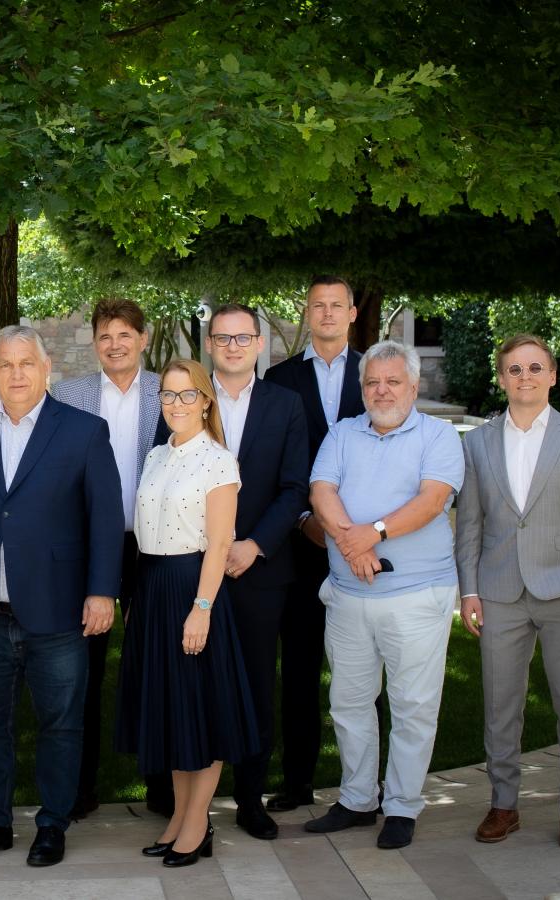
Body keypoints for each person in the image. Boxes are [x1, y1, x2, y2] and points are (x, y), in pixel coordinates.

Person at [0, 325, 123, 868]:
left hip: (59, 609)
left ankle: (52, 824)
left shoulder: (84, 431)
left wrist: (102, 592)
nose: (16, 374)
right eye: (6, 365)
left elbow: (105, 521)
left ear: (46, 367)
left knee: (61, 723)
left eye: (26, 363)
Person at [456, 334, 560, 851]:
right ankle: (503, 805)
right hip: (499, 591)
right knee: (500, 706)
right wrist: (469, 590)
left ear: (552, 376)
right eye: (514, 369)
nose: (524, 377)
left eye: (533, 368)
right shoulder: (476, 444)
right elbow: (470, 525)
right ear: (501, 379)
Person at [152, 304, 309, 838]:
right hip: (192, 572)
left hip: (258, 571)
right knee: (189, 684)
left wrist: (254, 545)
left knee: (254, 685)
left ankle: (249, 800)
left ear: (259, 344)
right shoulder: (188, 398)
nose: (233, 346)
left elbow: (294, 487)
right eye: (222, 338)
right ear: (210, 345)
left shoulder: (285, 404)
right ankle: (183, 807)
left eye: (243, 338)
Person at [303, 340, 464, 851]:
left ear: (413, 387)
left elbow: (431, 501)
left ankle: (402, 806)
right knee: (349, 702)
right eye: (372, 382)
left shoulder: (438, 436)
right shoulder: (342, 433)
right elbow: (321, 492)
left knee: (412, 705)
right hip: (348, 594)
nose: (382, 391)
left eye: (393, 382)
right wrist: (353, 544)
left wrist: (369, 534)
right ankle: (357, 800)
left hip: (416, 596)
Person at [116, 359, 259, 868]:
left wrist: (201, 609)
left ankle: (198, 823)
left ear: (205, 401)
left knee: (202, 709)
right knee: (172, 711)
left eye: (186, 394)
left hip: (193, 588)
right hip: (153, 588)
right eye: (168, 395)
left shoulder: (218, 461)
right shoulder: (156, 455)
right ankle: (179, 818)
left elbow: (219, 544)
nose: (176, 404)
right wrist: (137, 600)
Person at [50, 297, 162, 820]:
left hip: (154, 545)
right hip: (86, 547)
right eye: (105, 336)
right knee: (82, 671)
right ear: (95, 343)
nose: (115, 345)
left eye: (124, 335)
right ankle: (79, 789)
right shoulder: (68, 395)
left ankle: (162, 786)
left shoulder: (169, 392)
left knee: (156, 666)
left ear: (143, 339)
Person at [262, 275, 366, 811]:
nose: (326, 313)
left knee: (363, 673)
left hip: (365, 544)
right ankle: (297, 781)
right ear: (307, 313)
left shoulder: (376, 373)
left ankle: (365, 786)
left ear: (352, 313)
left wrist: (354, 530)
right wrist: (305, 519)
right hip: (300, 545)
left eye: (336, 305)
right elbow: (277, 463)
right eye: (317, 305)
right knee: (300, 669)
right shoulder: (279, 379)